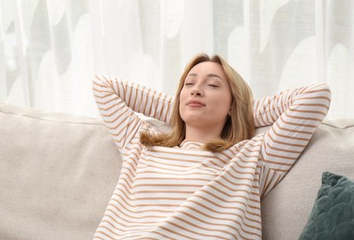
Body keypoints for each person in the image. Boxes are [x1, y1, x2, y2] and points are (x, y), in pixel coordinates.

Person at [92, 54, 331, 240]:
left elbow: (316, 96)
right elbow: (104, 86)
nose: (196, 89)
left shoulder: (252, 158)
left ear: (232, 103)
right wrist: (180, 109)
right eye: (189, 83)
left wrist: (240, 110)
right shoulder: (141, 143)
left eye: (213, 85)